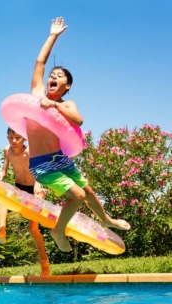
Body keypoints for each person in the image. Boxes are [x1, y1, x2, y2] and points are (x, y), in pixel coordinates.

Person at [27, 16, 130, 252]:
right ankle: (58, 230)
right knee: (78, 195)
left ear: (68, 85)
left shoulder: (67, 104)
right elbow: (39, 62)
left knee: (89, 191)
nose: (53, 77)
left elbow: (79, 120)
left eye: (59, 76)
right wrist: (53, 36)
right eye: (52, 75)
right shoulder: (36, 94)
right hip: (42, 164)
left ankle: (106, 220)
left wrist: (55, 106)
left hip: (60, 158)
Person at [0, 127, 50, 275]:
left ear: (25, 138)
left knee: (33, 229)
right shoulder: (7, 151)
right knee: (2, 199)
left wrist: (38, 188)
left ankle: (45, 265)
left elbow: (38, 172)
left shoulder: (30, 152)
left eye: (18, 137)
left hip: (34, 188)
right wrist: (2, 172)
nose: (14, 141)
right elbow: (5, 168)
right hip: (19, 188)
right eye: (11, 137)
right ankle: (2, 232)